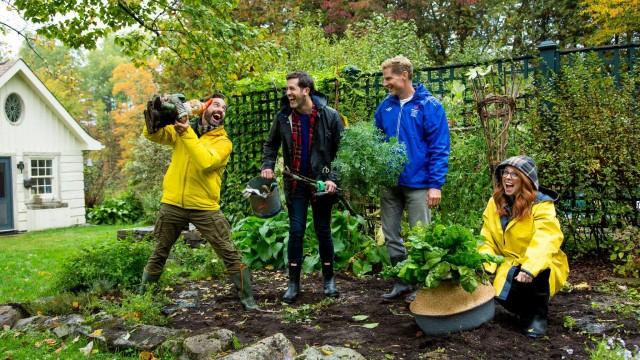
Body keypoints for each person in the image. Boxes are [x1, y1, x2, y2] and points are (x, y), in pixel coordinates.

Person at [139, 93, 259, 311]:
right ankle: (142, 300)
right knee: (159, 251)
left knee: (228, 251)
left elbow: (206, 162)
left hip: (205, 206)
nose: (220, 109)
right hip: (173, 202)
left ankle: (248, 300)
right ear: (203, 108)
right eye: (216, 105)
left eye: (224, 108)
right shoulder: (181, 128)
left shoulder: (223, 142)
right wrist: (157, 119)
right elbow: (151, 135)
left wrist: (187, 133)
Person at [261, 71, 344, 304]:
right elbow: (271, 145)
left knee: (323, 230)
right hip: (295, 183)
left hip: (321, 184)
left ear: (306, 90)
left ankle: (329, 281)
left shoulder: (330, 116)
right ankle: (293, 283)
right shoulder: (283, 118)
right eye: (286, 89)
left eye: (292, 89)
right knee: (296, 231)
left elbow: (343, 151)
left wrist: (333, 179)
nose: (288, 93)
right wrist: (268, 165)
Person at [374, 56, 450, 300]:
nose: (385, 83)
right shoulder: (385, 107)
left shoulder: (429, 105)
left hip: (418, 183)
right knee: (391, 232)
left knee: (420, 237)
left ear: (404, 75)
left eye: (389, 78)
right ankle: (402, 280)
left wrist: (435, 185)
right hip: (390, 183)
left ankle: (421, 285)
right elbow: (375, 142)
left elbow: (439, 147)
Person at [478, 155, 569, 338]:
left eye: (514, 174)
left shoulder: (541, 205)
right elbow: (486, 239)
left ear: (525, 180)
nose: (507, 178)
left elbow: (547, 238)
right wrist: (486, 267)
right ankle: (521, 309)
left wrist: (530, 268)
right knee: (507, 291)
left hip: (539, 265)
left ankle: (537, 317)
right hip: (509, 264)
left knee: (535, 274)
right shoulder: (494, 203)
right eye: (505, 173)